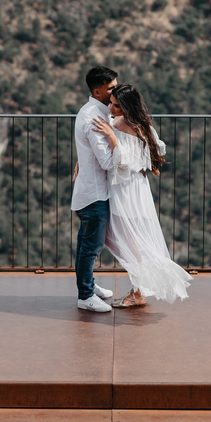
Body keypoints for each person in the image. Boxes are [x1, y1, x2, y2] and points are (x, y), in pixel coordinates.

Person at [91, 85, 192, 307]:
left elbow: (128, 164)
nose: (112, 108)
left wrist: (111, 136)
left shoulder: (137, 128)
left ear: (127, 107)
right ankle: (140, 287)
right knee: (113, 236)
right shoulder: (117, 120)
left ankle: (139, 291)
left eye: (117, 106)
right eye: (111, 104)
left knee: (130, 241)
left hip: (130, 190)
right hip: (120, 188)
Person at [72, 66, 119, 313]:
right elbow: (108, 162)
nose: (116, 91)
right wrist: (116, 140)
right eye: (111, 88)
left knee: (86, 244)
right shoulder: (94, 118)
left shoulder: (95, 111)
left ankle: (87, 284)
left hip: (91, 189)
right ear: (98, 90)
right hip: (95, 194)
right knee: (91, 247)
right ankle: (86, 295)